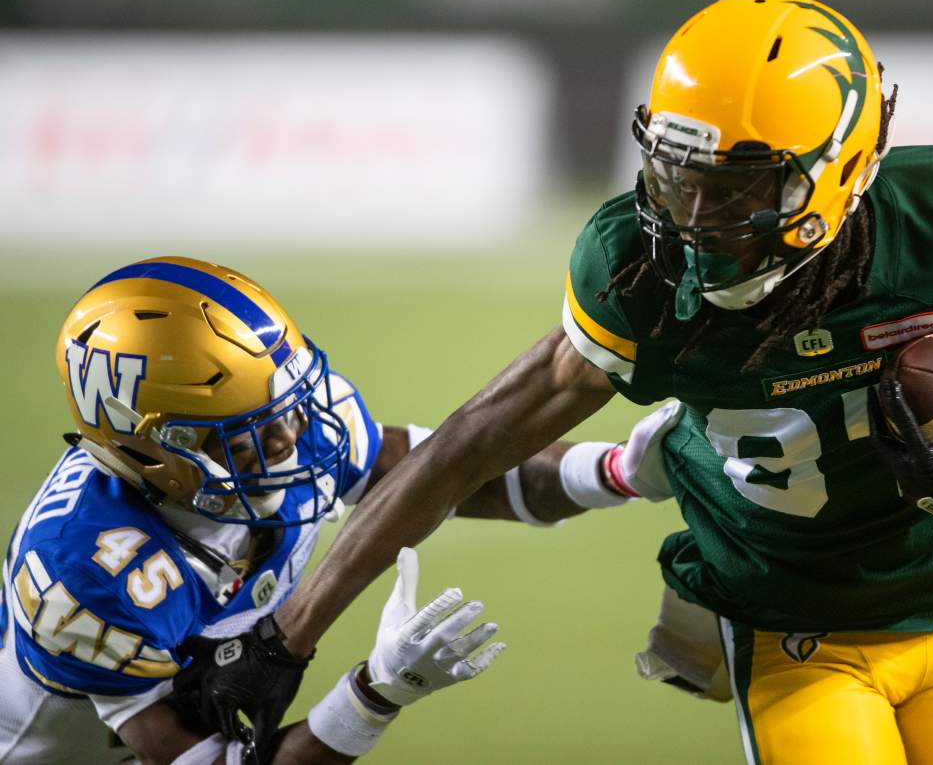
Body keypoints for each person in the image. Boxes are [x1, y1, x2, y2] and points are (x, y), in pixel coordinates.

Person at [181, 0, 933, 764]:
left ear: (842, 169)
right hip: (790, 627)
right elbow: (463, 449)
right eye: (680, 173)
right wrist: (289, 636)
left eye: (744, 186)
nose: (698, 213)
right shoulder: (638, 274)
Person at [0, 255, 599, 763]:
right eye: (243, 434)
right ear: (152, 448)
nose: (289, 438)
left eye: (288, 406)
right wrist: (375, 693)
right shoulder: (81, 572)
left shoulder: (284, 429)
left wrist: (617, 472)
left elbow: (449, 470)